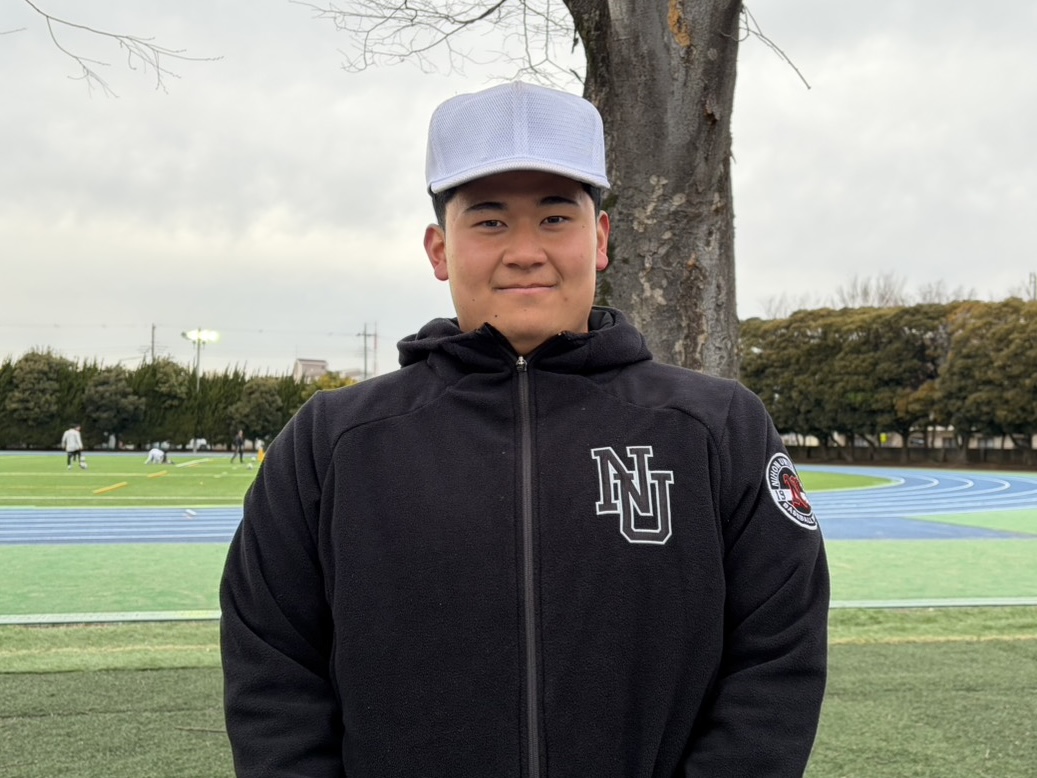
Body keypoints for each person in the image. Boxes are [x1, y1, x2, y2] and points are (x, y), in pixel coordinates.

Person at [220, 82, 829, 777]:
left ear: (599, 239)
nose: (525, 251)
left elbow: (776, 655)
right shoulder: (333, 441)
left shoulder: (716, 427)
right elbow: (272, 666)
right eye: (488, 222)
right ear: (438, 249)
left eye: (554, 218)